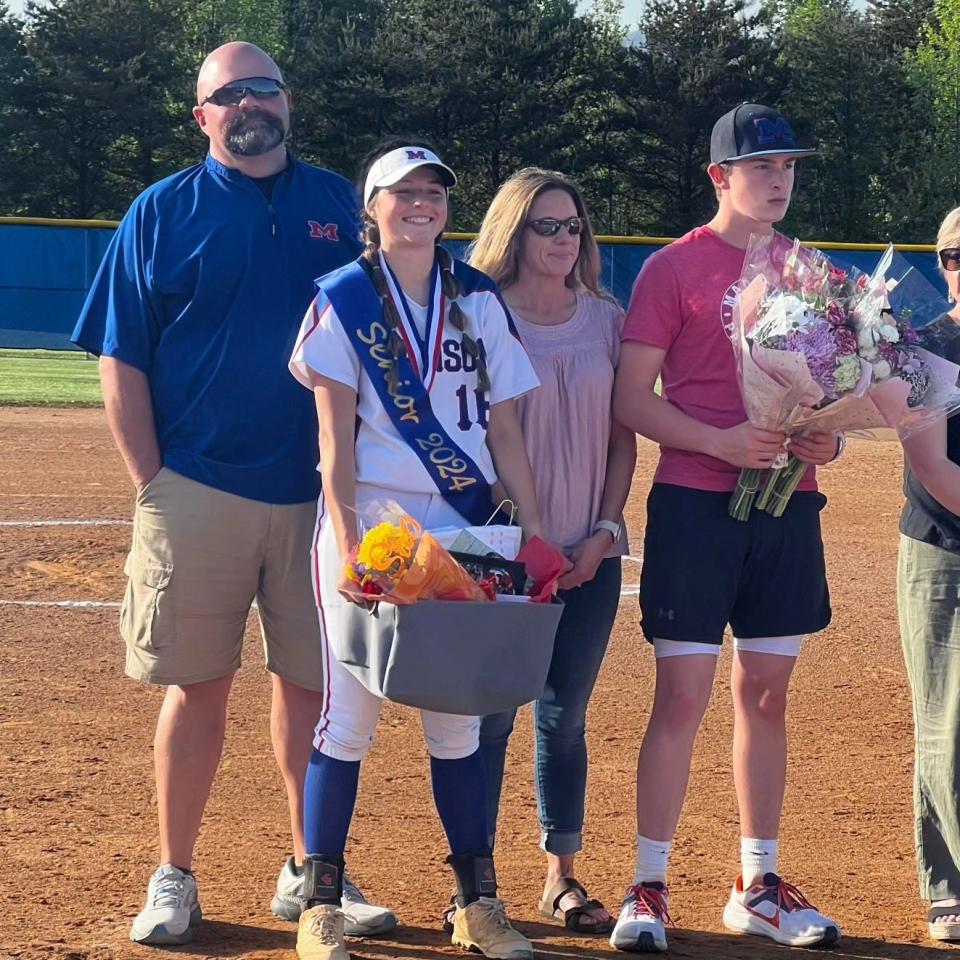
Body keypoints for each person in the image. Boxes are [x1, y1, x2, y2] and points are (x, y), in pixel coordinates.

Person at [71, 41, 393, 946]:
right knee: (197, 687)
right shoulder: (160, 210)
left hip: (323, 498)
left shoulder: (341, 203)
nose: (251, 105)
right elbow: (119, 355)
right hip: (198, 487)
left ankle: (310, 871)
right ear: (202, 113)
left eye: (266, 89)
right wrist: (152, 481)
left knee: (312, 690)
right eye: (229, 94)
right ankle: (174, 873)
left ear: (288, 103)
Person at [288, 139, 544, 960]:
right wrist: (345, 546)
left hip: (469, 528)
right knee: (349, 718)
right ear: (373, 207)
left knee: (457, 724)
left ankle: (477, 902)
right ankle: (321, 902)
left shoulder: (477, 298)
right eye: (404, 192)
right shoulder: (341, 299)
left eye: (433, 190)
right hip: (380, 526)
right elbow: (333, 441)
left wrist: (530, 532)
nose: (422, 203)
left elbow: (504, 424)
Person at [608, 103, 842, 953]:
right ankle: (648, 884)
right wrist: (718, 440)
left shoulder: (813, 272)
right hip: (696, 504)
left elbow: (837, 390)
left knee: (767, 695)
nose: (779, 181)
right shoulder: (673, 269)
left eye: (788, 167)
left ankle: (756, 883)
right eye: (762, 167)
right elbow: (630, 399)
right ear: (721, 177)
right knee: (682, 697)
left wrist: (831, 435)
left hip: (789, 505)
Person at [468, 168, 636, 935]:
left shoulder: (605, 317)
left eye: (573, 226)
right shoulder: (481, 315)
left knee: (564, 720)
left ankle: (559, 879)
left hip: (590, 552)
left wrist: (605, 532)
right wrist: (524, 539)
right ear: (514, 232)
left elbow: (621, 437)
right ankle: (478, 884)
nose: (565, 239)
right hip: (506, 553)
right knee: (491, 720)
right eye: (547, 226)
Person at [898, 207, 960, 944]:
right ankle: (949, 881)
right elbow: (931, 465)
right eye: (954, 256)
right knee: (949, 718)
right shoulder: (928, 347)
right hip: (944, 548)